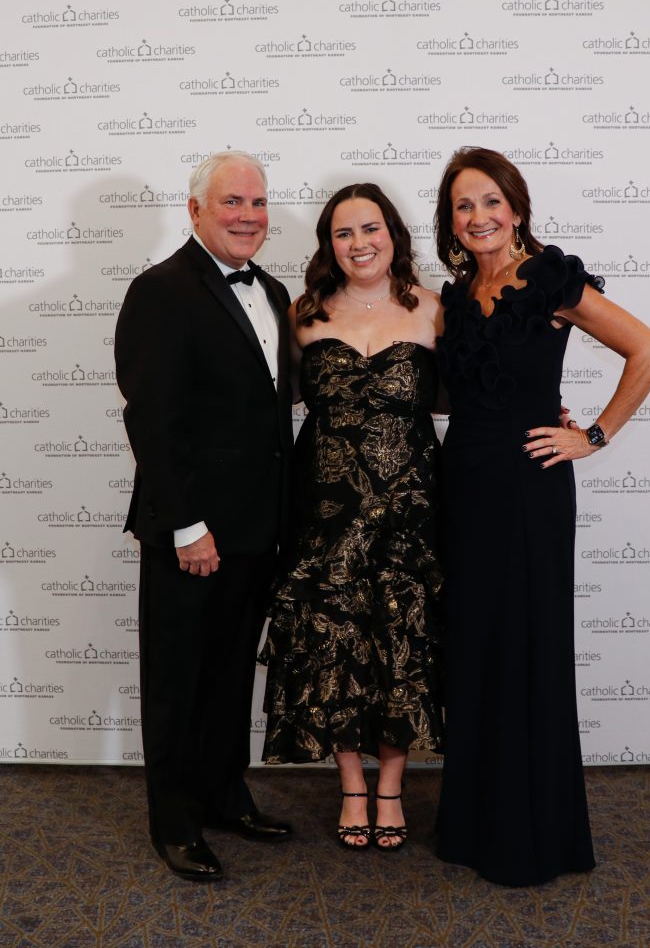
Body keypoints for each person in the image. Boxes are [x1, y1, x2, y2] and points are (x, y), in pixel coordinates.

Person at [434, 147, 650, 886]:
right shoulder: (454, 295)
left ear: (516, 208)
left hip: (529, 487)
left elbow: (648, 350)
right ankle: (473, 823)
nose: (478, 217)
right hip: (462, 484)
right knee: (474, 646)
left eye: (490, 201)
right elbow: (455, 393)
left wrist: (591, 434)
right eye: (463, 205)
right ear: (450, 220)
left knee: (526, 645)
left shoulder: (550, 279)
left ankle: (530, 833)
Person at [114, 150, 294, 882]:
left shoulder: (275, 290)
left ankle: (224, 794)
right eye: (232, 202)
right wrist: (188, 526)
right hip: (192, 532)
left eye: (257, 202)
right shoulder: (160, 290)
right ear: (194, 210)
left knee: (228, 675)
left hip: (257, 526)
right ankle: (175, 821)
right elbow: (152, 420)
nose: (248, 216)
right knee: (176, 679)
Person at [259, 183, 444, 851]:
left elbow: (474, 396)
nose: (359, 243)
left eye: (371, 229)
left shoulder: (433, 308)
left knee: (401, 640)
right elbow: (262, 404)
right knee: (334, 641)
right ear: (327, 245)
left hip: (409, 509)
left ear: (393, 234)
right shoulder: (301, 313)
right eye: (343, 233)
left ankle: (390, 787)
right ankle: (351, 787)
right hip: (326, 511)